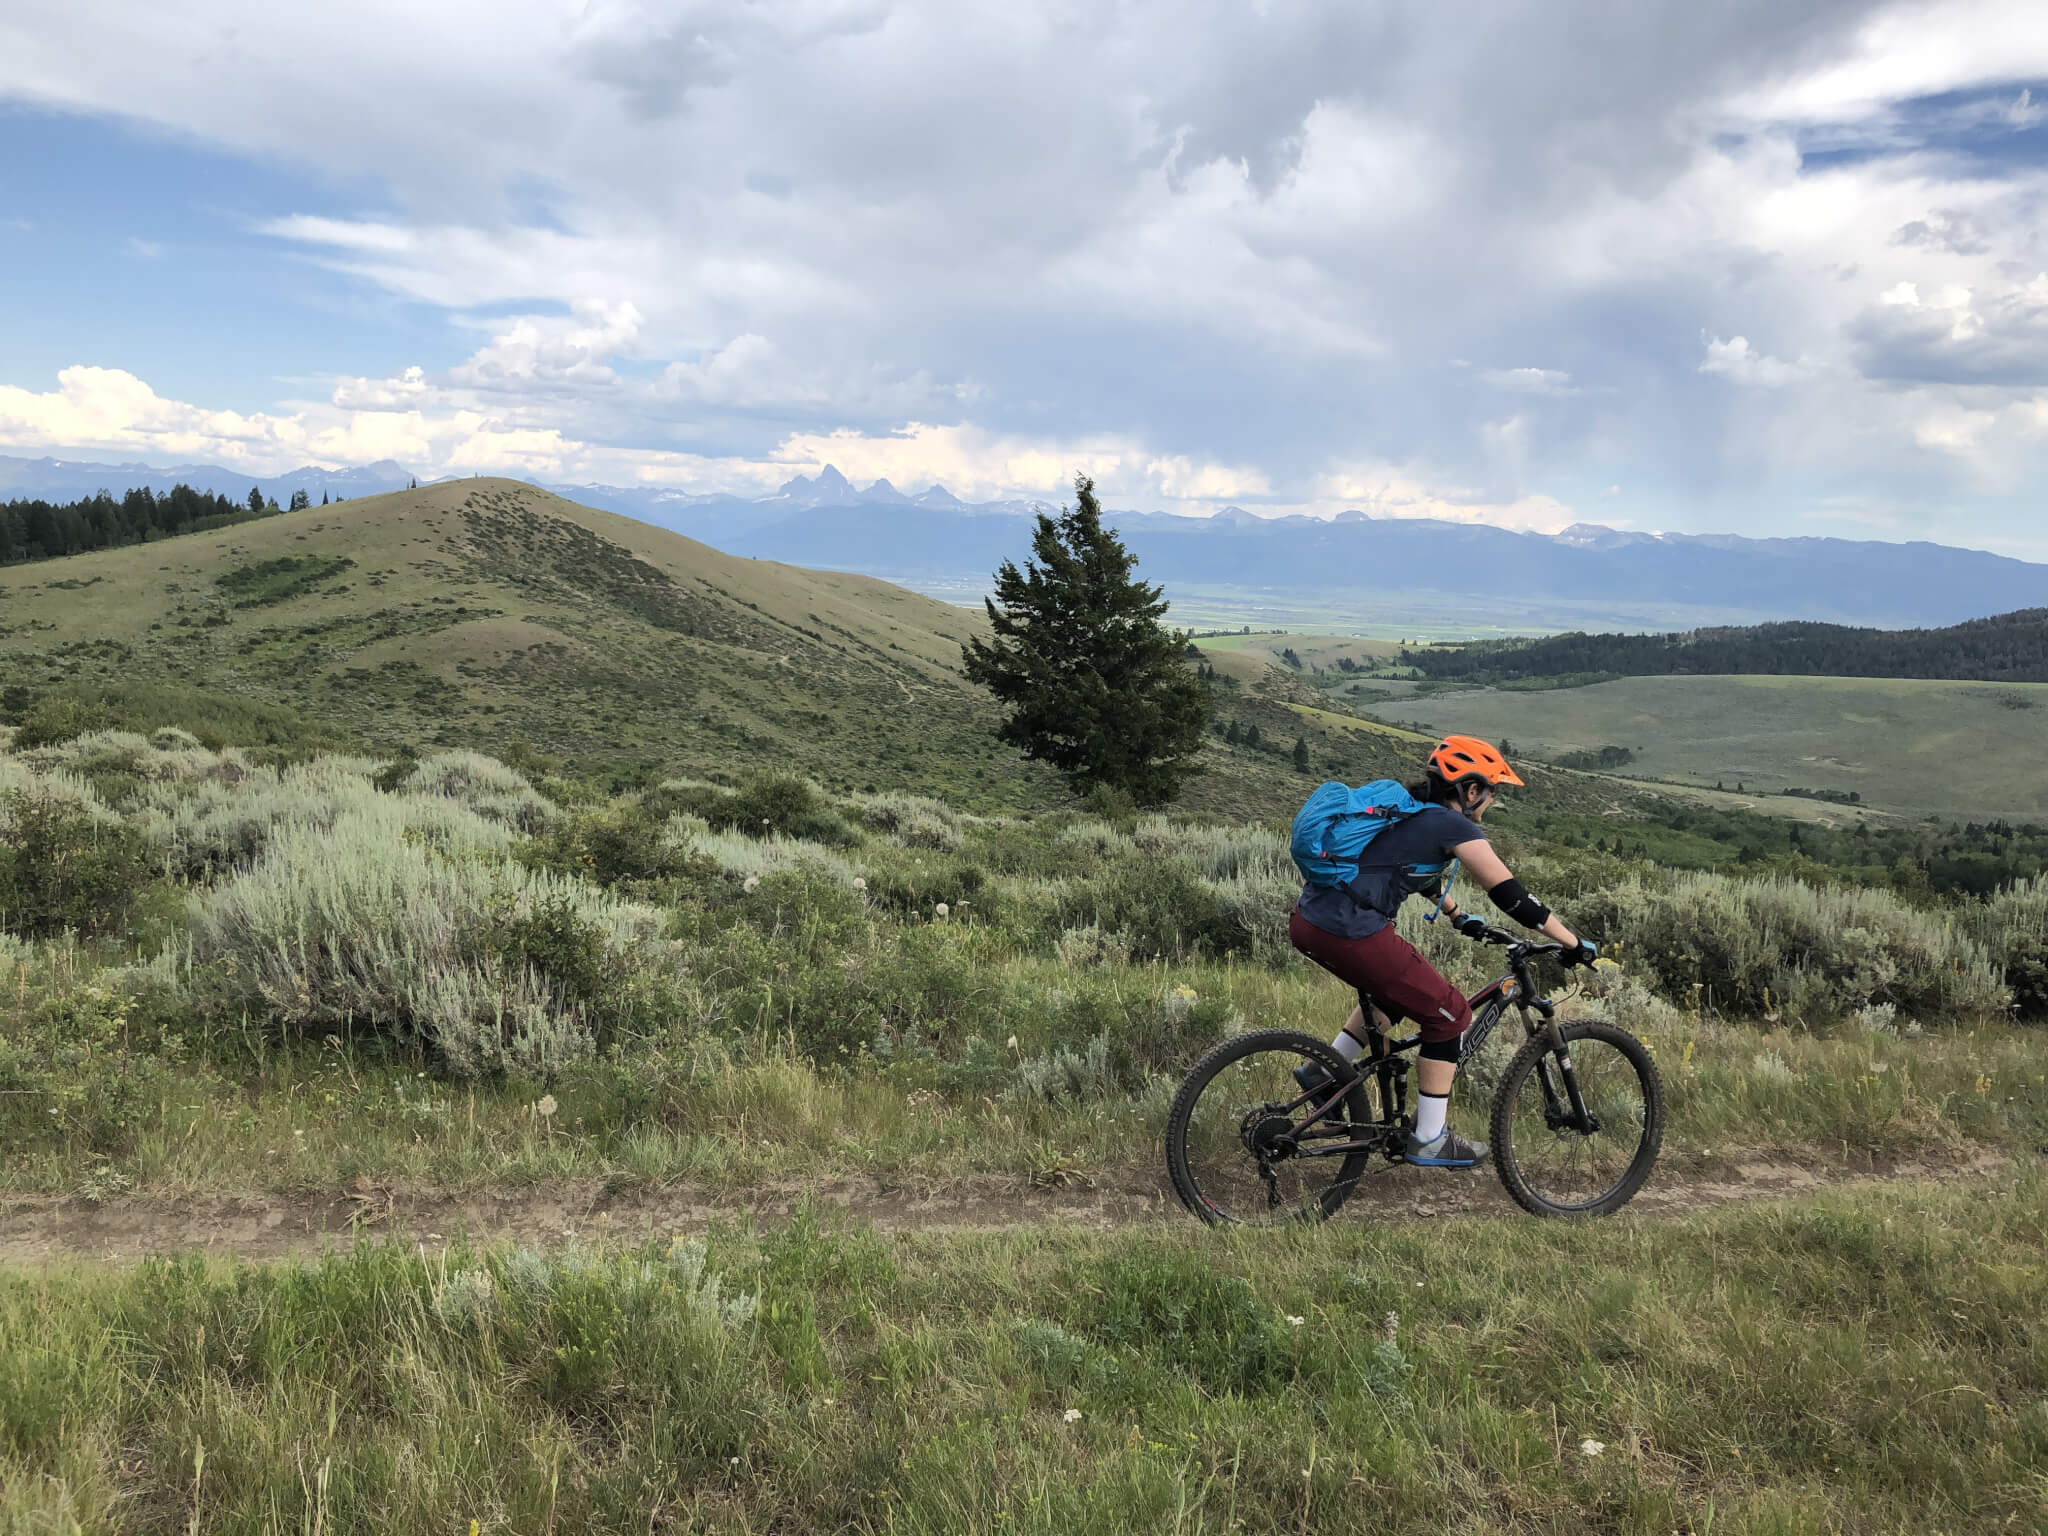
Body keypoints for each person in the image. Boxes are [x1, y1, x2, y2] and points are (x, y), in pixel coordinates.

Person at [1288, 735, 1597, 1168]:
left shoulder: (1413, 813)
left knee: (1392, 996)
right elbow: (1511, 896)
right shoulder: (1454, 825)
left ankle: (1324, 1071)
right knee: (1450, 1013)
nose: (1490, 802)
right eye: (1491, 792)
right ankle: (1430, 1138)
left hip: (1310, 921)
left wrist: (1456, 914)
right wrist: (1572, 942)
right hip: (1350, 929)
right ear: (1471, 791)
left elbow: (1408, 868)